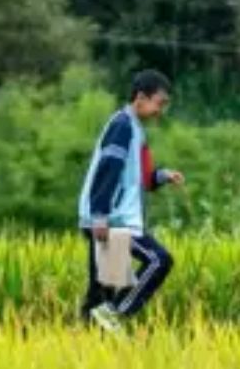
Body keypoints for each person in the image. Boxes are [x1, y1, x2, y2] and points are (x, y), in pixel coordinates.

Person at [79, 70, 184, 333]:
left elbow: (144, 179)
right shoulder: (123, 126)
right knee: (160, 260)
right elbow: (107, 170)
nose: (161, 110)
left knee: (103, 291)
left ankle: (89, 337)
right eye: (159, 103)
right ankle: (117, 314)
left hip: (114, 220)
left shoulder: (136, 131)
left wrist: (162, 176)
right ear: (140, 98)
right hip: (113, 220)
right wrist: (100, 215)